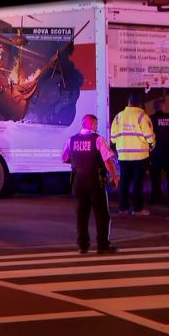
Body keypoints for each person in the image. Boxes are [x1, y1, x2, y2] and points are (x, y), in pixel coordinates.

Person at [63, 114, 120, 254]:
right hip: (95, 180)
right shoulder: (98, 139)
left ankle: (82, 246)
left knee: (82, 214)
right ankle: (102, 246)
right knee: (102, 214)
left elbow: (64, 158)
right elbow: (107, 160)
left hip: (78, 180)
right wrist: (114, 177)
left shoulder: (72, 140)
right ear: (93, 125)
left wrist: (78, 163)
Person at [110, 92, 155, 215]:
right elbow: (150, 137)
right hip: (140, 156)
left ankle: (123, 208)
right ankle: (137, 209)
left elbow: (113, 138)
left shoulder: (118, 117)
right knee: (138, 182)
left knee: (124, 181)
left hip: (123, 156)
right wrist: (152, 145)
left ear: (128, 103)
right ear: (139, 104)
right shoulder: (142, 117)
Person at [150, 99, 169, 204]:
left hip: (157, 151)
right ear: (163, 107)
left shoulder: (152, 118)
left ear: (155, 107)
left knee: (156, 174)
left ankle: (156, 197)